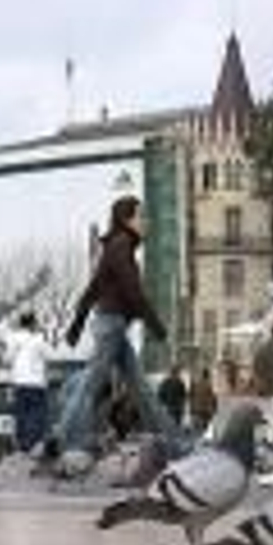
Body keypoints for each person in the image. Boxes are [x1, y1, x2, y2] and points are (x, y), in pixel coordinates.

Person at [46, 195, 182, 465]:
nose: (146, 221)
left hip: (112, 325)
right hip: (111, 325)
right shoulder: (120, 246)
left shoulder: (117, 247)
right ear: (126, 219)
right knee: (90, 386)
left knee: (140, 389)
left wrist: (77, 324)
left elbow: (94, 287)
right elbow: (133, 292)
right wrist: (158, 328)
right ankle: (61, 439)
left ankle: (174, 443)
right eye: (141, 216)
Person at [8, 311, 50, 453]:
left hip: (19, 382)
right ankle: (33, 444)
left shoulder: (13, 339)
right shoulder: (39, 339)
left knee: (21, 414)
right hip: (36, 383)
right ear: (33, 324)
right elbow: (49, 355)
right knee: (36, 414)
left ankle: (22, 446)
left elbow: (9, 358)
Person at [189, 366, 219, 436]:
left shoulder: (197, 384)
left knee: (197, 426)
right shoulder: (209, 385)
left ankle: (197, 434)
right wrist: (214, 407)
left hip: (197, 407)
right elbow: (212, 397)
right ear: (207, 375)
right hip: (205, 408)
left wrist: (192, 407)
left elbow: (191, 396)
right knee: (205, 426)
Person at [157, 364, 188, 429]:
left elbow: (183, 395)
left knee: (177, 423)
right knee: (170, 423)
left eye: (177, 373)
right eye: (175, 373)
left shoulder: (180, 383)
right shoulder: (166, 383)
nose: (176, 375)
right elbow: (160, 394)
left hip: (178, 407)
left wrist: (182, 403)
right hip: (169, 406)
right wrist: (163, 402)